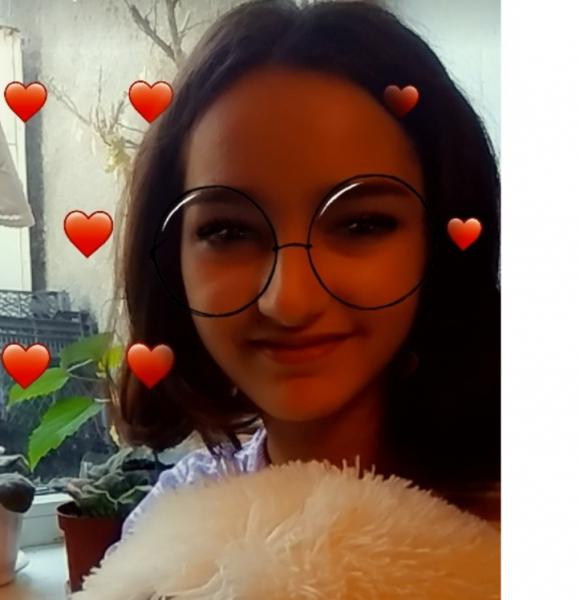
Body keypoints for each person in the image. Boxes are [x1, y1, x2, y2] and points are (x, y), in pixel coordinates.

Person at [105, 0, 500, 558]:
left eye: (361, 224)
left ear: (440, 239)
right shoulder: (169, 534)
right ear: (171, 258)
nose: (289, 300)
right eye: (228, 232)